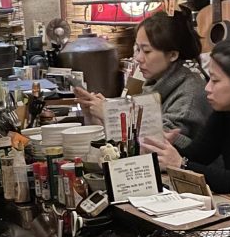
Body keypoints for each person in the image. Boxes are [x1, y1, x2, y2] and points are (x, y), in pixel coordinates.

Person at [140, 38, 230, 193]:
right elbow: (199, 155)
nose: (207, 88)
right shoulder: (224, 111)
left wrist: (181, 164)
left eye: (215, 81)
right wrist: (165, 148)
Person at [74, 10, 211, 149]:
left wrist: (110, 115)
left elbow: (157, 145)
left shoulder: (189, 94)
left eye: (146, 51)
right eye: (137, 49)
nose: (138, 58)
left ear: (173, 55)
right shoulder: (151, 81)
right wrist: (93, 115)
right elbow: (126, 140)